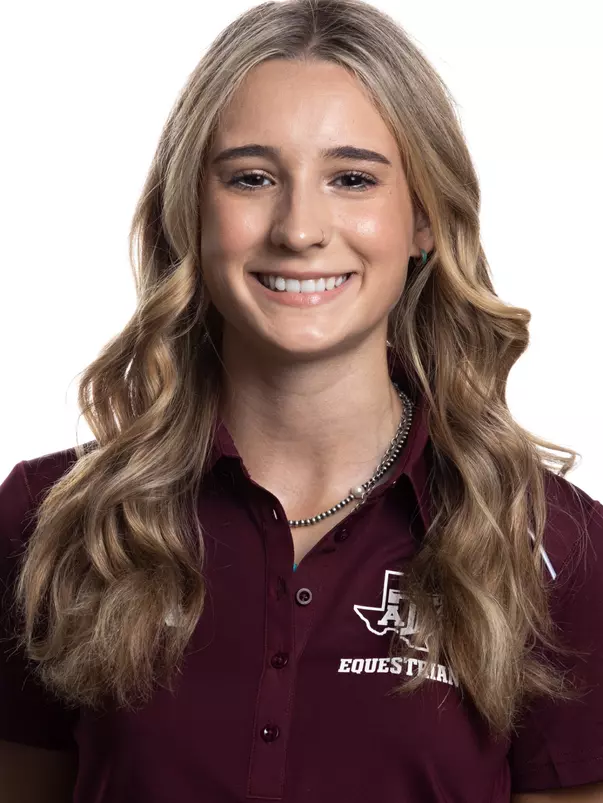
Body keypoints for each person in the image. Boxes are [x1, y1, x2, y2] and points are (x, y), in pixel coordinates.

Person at [1, 0, 602, 801]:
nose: (299, 228)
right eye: (252, 178)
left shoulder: (554, 545)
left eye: (351, 178)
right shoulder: (50, 523)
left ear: (422, 217)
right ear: (192, 210)